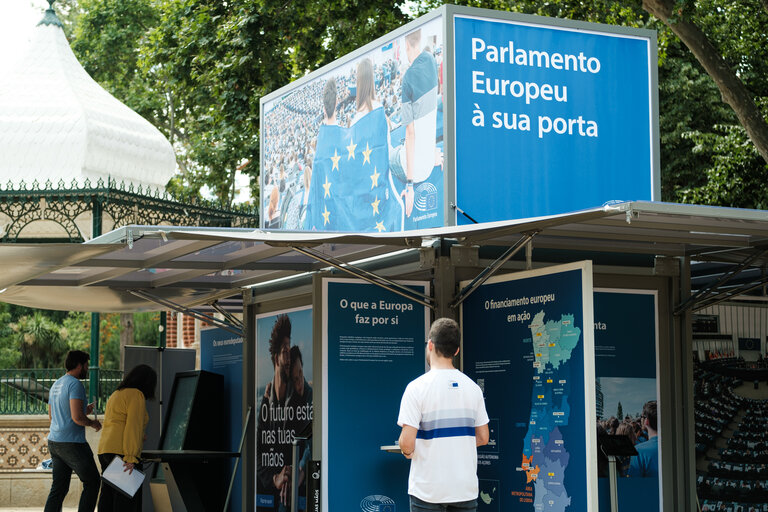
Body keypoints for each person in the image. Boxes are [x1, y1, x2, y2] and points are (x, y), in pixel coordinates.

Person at [397, 318, 490, 512]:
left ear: (430, 344)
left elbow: (407, 442)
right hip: (464, 489)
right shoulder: (473, 389)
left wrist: (408, 452)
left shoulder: (416, 388)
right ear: (456, 351)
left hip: (427, 490)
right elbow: (483, 437)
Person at [391, 28, 441, 218]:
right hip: (429, 162)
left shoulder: (408, 78)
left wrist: (410, 185)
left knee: (389, 151)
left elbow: (410, 133)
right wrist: (433, 152)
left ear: (405, 45)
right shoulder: (430, 60)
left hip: (416, 170)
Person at [44, 350, 102, 512]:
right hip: (72, 444)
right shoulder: (76, 384)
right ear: (79, 365)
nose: (87, 369)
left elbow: (52, 416)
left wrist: (85, 411)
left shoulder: (56, 384)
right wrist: (93, 423)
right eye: (86, 365)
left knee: (59, 487)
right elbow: (77, 418)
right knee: (92, 482)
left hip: (55, 441)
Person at [97, 364, 157, 511]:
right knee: (125, 502)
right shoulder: (136, 395)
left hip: (105, 450)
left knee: (108, 496)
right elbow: (133, 427)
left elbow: (118, 423)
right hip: (122, 453)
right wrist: (131, 457)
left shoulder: (117, 393)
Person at [257, 315, 294, 511]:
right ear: (275, 358)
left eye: (289, 352)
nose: (288, 359)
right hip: (268, 497)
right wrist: (275, 478)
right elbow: (257, 455)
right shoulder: (264, 403)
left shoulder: (296, 398)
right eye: (284, 352)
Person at [628, 400, 659, 477]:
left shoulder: (639, 451)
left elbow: (633, 484)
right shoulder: (678, 448)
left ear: (646, 421)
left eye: (642, 417)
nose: (641, 419)